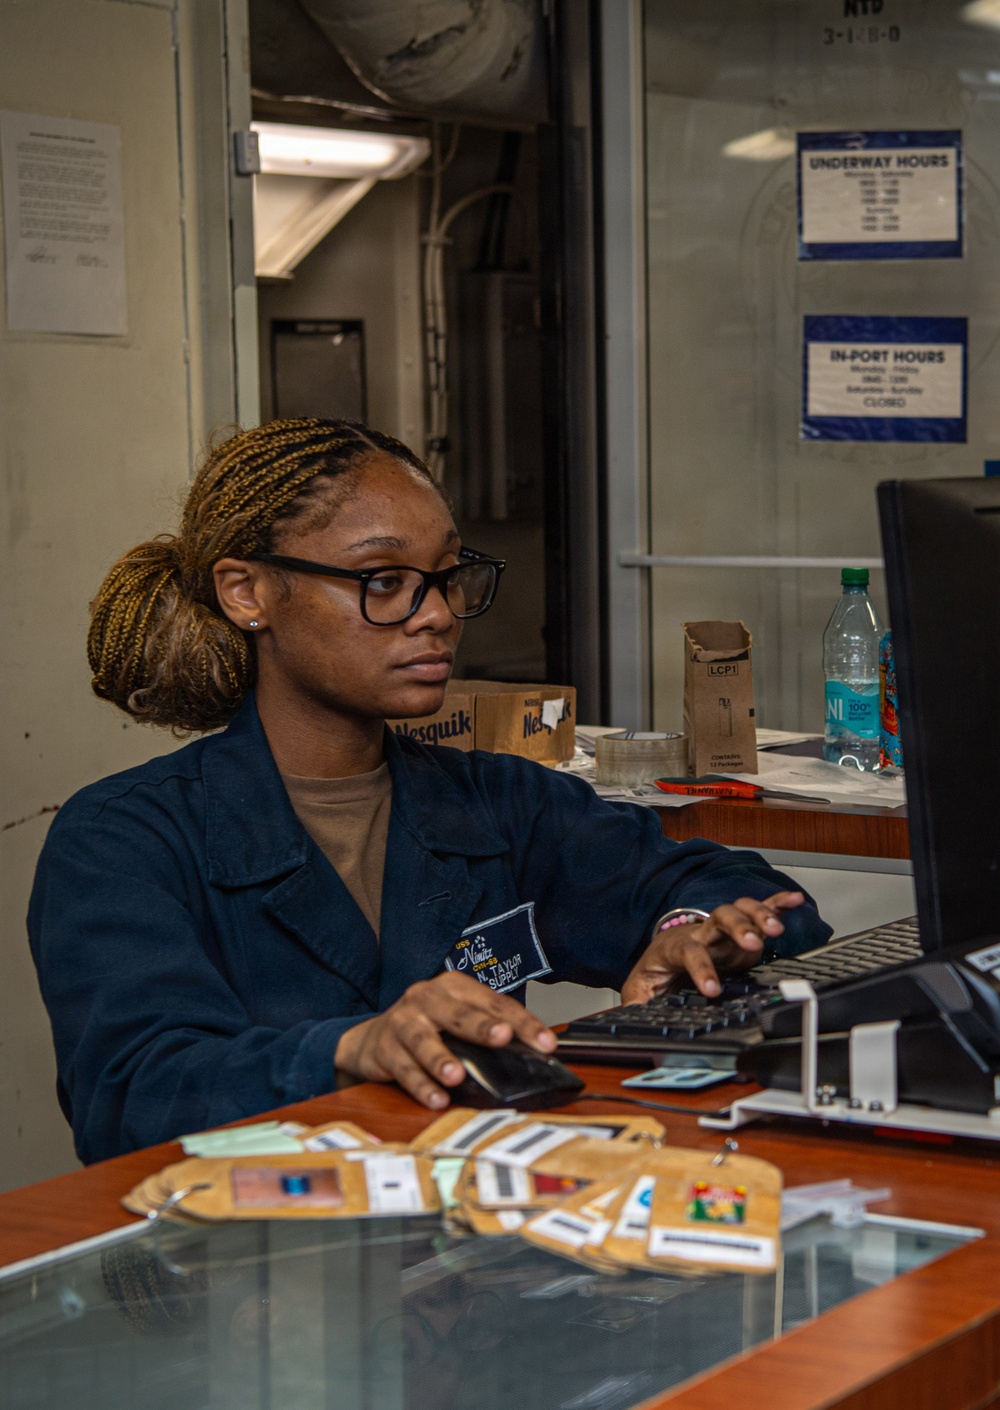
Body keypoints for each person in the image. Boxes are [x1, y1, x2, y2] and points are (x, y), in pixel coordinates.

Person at [29, 419, 830, 1162]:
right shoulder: (124, 838)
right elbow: (132, 1095)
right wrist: (353, 1050)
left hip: (461, 1248)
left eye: (446, 579)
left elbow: (747, 894)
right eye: (384, 580)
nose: (439, 616)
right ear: (248, 593)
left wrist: (695, 930)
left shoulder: (496, 802)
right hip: (255, 1272)